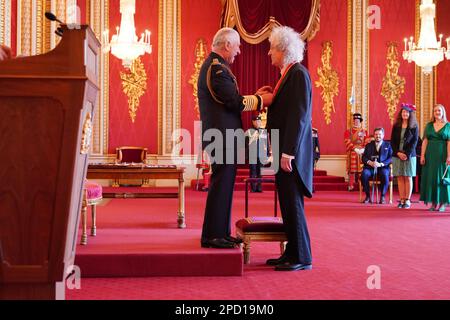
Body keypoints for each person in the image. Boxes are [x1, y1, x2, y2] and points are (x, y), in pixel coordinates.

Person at [198, 28, 273, 249]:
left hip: (223, 137)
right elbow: (235, 103)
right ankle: (213, 236)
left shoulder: (217, 67)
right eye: (238, 46)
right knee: (221, 185)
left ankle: (219, 232)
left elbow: (233, 100)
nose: (239, 51)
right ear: (227, 45)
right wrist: (262, 100)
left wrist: (256, 96)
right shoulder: (217, 69)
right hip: (221, 137)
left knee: (224, 185)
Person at [265, 26, 313, 271]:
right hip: (283, 151)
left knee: (292, 203)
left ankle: (302, 257)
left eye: (272, 48)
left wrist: (288, 152)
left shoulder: (297, 74)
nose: (269, 53)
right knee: (287, 203)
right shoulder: (288, 75)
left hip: (289, 155)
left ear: (283, 50)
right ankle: (291, 252)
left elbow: (299, 116)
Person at [420, 104, 450, 212]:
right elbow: (425, 141)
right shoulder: (429, 125)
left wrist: (449, 156)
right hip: (430, 155)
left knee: (441, 178)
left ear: (443, 112)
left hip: (442, 155)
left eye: (439, 110)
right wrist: (422, 155)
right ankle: (433, 202)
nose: (437, 112)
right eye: (435, 111)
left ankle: (443, 202)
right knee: (431, 178)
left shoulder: (448, 126)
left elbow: (449, 142)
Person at [390, 103, 419, 209]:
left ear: (410, 114)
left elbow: (415, 142)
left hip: (409, 156)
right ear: (400, 113)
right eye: (403, 112)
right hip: (397, 154)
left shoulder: (414, 126)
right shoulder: (396, 125)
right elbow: (392, 141)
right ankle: (401, 199)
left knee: (408, 176)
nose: (405, 114)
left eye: (407, 112)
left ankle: (407, 200)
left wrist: (406, 154)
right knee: (400, 177)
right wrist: (397, 152)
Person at [360, 127, 393, 204]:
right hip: (370, 167)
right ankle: (367, 196)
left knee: (385, 174)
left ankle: (382, 196)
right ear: (374, 135)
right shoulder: (368, 145)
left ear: (383, 135)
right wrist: (369, 162)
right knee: (364, 174)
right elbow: (363, 157)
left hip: (383, 167)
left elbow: (391, 157)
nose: (378, 136)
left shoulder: (388, 145)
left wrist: (381, 164)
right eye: (376, 134)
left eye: (380, 134)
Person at [344, 113, 370, 191]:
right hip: (352, 152)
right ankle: (351, 185)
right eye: (355, 120)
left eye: (358, 120)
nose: (356, 122)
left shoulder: (364, 131)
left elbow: (367, 141)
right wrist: (355, 148)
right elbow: (347, 141)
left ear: (360, 121)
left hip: (362, 152)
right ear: (353, 121)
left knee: (362, 170)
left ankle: (362, 185)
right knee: (352, 170)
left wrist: (363, 149)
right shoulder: (348, 131)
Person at [247, 115, 269, 192]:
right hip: (252, 154)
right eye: (256, 121)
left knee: (260, 172)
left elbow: (266, 144)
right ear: (253, 122)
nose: (258, 123)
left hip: (261, 154)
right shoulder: (249, 131)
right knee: (253, 171)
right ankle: (253, 188)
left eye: (259, 121)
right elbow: (245, 144)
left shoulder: (263, 132)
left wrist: (267, 154)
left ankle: (259, 188)